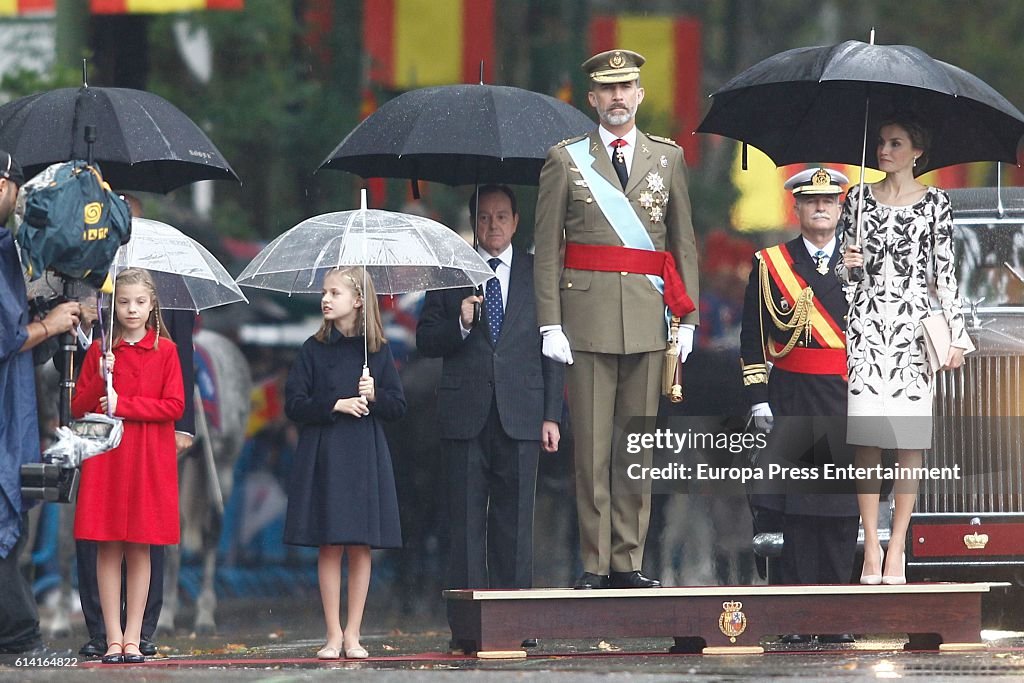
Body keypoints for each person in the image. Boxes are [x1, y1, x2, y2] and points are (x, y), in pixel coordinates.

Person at [534, 49, 699, 589]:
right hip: (584, 321)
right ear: (592, 98)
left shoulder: (667, 159)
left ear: (641, 95)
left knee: (637, 451)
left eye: (627, 87)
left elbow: (683, 245)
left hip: (649, 321)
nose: (618, 97)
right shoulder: (566, 159)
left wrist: (688, 319)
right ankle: (593, 562)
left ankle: (629, 562)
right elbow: (548, 247)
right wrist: (549, 323)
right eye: (608, 89)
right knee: (591, 453)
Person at [416, 186, 564, 639]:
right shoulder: (451, 273)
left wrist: (552, 414)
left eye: (501, 217)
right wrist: (459, 322)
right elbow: (425, 340)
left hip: (521, 412)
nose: (493, 226)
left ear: (517, 222)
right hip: (464, 413)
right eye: (484, 217)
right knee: (464, 524)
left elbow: (553, 347)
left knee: (515, 522)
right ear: (473, 223)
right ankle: (468, 627)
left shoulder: (538, 274)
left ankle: (515, 621)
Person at [839, 115, 969, 585]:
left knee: (910, 444)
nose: (884, 150)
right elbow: (845, 279)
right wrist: (849, 266)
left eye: (895, 143)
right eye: (881, 143)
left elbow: (944, 275)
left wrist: (955, 335)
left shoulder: (936, 203)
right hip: (868, 329)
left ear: (917, 151)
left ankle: (898, 548)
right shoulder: (856, 198)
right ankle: (870, 545)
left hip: (914, 331)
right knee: (868, 441)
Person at [740, 167, 859, 644]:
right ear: (798, 208)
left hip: (845, 401)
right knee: (796, 520)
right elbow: (752, 342)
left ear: (841, 207)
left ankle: (835, 623)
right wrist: (758, 401)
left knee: (840, 517)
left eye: (830, 200)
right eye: (812, 201)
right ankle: (794, 622)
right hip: (790, 399)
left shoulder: (862, 264)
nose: (821, 208)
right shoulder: (772, 264)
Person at [76, 193, 196, 659]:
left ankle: (134, 635)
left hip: (146, 455)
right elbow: (81, 404)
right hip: (109, 456)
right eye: (123, 301)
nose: (130, 309)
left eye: (139, 302)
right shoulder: (101, 349)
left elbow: (174, 404)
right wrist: (100, 374)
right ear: (114, 304)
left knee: (141, 547)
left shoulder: (165, 351)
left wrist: (125, 403)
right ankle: (111, 637)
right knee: (107, 546)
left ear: (151, 306)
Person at [284, 266, 405, 660]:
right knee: (330, 542)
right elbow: (294, 404)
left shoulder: (377, 351)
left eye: (334, 292)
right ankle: (332, 633)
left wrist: (374, 395)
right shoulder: (312, 350)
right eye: (324, 292)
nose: (325, 299)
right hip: (326, 453)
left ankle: (354, 633)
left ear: (357, 300)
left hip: (363, 454)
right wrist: (333, 404)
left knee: (360, 543)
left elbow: (398, 406)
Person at [0, 150, 82, 655]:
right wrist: (46, 325)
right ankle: (20, 636)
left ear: (14, 188)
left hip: (16, 406)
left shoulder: (14, 249)